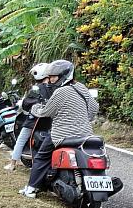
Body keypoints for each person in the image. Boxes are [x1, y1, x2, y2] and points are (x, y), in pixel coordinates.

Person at [19, 60, 98, 198]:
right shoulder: (82, 88)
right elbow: (93, 108)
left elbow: (45, 112)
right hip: (85, 134)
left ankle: (31, 189)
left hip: (61, 134)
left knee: (41, 157)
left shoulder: (60, 92)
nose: (50, 80)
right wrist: (84, 119)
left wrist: (34, 107)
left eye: (53, 77)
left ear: (63, 76)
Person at [5, 63, 49, 171]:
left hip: (34, 120)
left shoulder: (35, 89)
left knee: (21, 139)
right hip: (50, 121)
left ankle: (12, 164)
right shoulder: (55, 88)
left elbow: (25, 104)